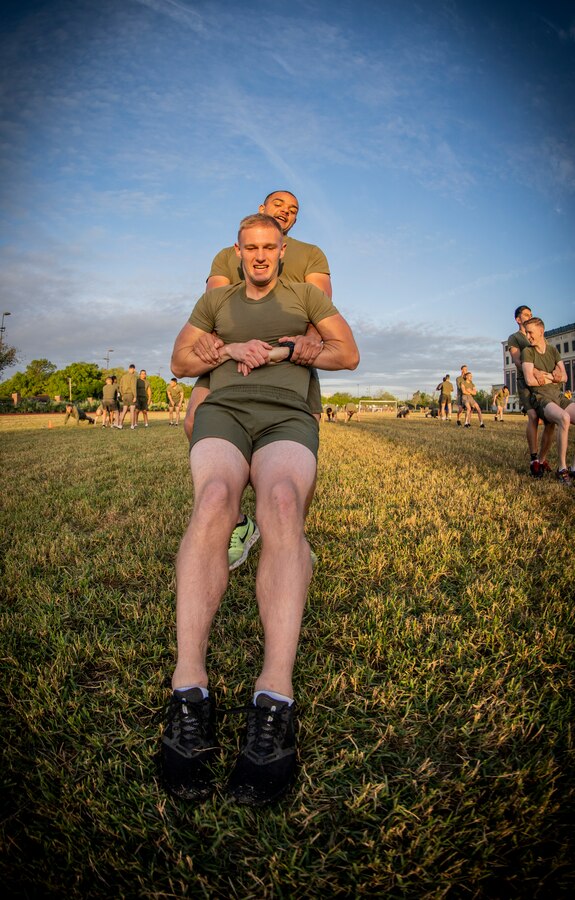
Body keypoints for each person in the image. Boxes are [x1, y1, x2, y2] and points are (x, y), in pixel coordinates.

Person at [160, 213, 359, 806]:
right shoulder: (215, 302)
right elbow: (180, 360)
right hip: (227, 412)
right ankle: (189, 689)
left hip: (286, 416)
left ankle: (274, 699)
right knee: (215, 499)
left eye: (271, 247)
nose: (261, 256)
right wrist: (224, 348)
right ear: (238, 251)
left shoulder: (303, 294)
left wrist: (288, 348)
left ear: (282, 250)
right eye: (251, 248)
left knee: (280, 503)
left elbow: (347, 353)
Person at [184, 190, 333, 571]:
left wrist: (303, 347)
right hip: (230, 355)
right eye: (279, 205)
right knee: (194, 420)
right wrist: (232, 349)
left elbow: (321, 309)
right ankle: (238, 523)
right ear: (261, 209)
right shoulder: (227, 254)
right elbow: (216, 311)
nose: (287, 211)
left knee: (303, 442)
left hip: (289, 359)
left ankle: (291, 530)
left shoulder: (311, 254)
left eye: (294, 209)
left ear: (283, 246)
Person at [521, 317, 575, 484]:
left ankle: (574, 467)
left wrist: (545, 375)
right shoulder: (528, 352)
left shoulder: (553, 351)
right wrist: (554, 376)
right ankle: (562, 469)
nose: (528, 336)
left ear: (541, 331)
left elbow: (564, 377)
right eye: (526, 332)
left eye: (530, 332)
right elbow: (530, 381)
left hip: (558, 396)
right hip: (541, 398)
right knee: (564, 418)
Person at [507, 305, 554, 477]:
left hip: (543, 383)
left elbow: (547, 355)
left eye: (531, 314)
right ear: (518, 319)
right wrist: (534, 371)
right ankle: (534, 459)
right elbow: (518, 360)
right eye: (526, 314)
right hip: (525, 382)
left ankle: (543, 459)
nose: (529, 316)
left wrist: (554, 372)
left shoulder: (540, 337)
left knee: (550, 421)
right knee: (533, 416)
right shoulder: (514, 338)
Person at [119, 365, 137, 429]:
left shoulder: (123, 377)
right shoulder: (133, 377)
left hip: (125, 395)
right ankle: (132, 425)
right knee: (132, 410)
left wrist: (122, 394)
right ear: (133, 369)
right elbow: (133, 387)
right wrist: (135, 396)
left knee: (124, 410)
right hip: (130, 394)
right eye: (134, 369)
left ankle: (120, 425)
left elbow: (120, 386)